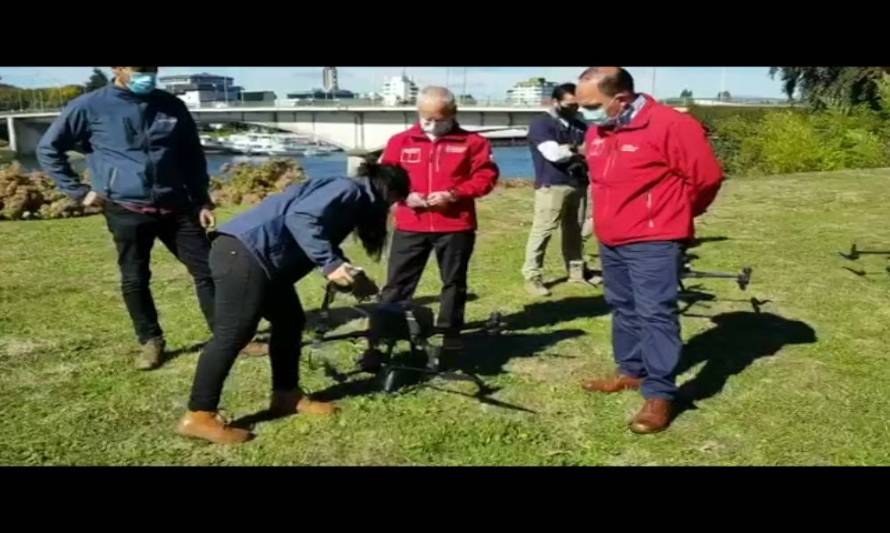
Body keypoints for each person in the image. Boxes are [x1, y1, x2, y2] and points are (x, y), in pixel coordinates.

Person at [176, 162, 410, 444]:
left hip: (260, 261)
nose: (391, 212)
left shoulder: (351, 193)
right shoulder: (350, 190)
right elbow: (301, 218)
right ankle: (199, 415)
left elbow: (318, 232)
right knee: (232, 334)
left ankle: (286, 395)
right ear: (389, 191)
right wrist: (330, 264)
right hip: (245, 255)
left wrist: (345, 271)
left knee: (290, 321)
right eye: (395, 204)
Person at [36, 67, 224, 370]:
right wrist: (78, 191)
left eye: (152, 69)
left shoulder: (171, 105)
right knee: (135, 278)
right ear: (117, 68)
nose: (146, 75)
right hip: (126, 208)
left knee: (209, 271)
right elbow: (48, 149)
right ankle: (151, 341)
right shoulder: (89, 106)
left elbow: (192, 155)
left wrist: (202, 200)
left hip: (177, 206)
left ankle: (227, 337)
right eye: (139, 70)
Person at [575, 67, 724, 434]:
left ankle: (659, 394)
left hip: (654, 240)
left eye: (592, 105)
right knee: (622, 307)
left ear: (621, 99)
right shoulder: (598, 130)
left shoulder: (671, 125)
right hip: (612, 238)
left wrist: (673, 215)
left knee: (655, 311)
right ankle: (631, 371)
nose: (585, 113)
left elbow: (706, 178)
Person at [378, 86, 499, 350]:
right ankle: (384, 332)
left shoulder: (474, 143)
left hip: (456, 224)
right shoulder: (400, 141)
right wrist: (404, 197)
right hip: (411, 223)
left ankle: (451, 330)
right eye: (427, 119)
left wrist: (454, 194)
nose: (433, 125)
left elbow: (485, 178)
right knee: (397, 282)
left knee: (454, 281)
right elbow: (383, 178)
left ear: (453, 113)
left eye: (439, 119)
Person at [521, 83, 594, 297]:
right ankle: (532, 276)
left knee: (575, 230)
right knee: (543, 231)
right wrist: (577, 150)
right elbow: (553, 154)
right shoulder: (541, 124)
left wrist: (577, 151)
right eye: (569, 104)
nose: (574, 107)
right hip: (551, 184)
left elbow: (594, 146)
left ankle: (577, 272)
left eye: (576, 104)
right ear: (555, 102)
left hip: (578, 183)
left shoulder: (580, 123)